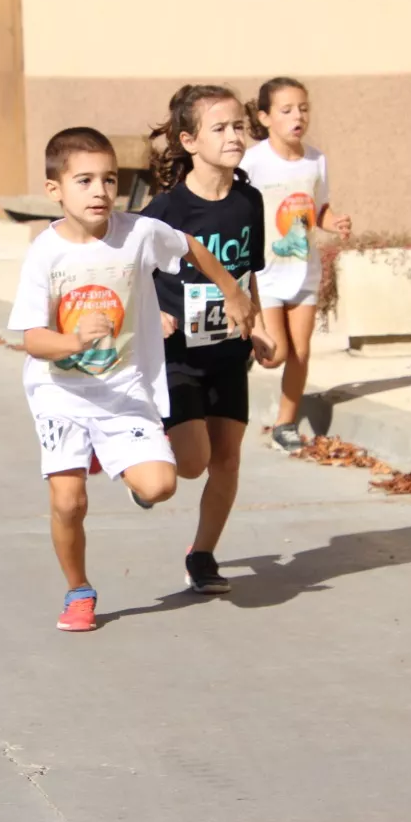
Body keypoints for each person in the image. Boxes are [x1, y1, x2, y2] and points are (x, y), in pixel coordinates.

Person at [8, 126, 256, 632]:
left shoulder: (138, 232)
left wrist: (232, 290)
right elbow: (32, 339)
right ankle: (79, 590)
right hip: (61, 391)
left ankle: (114, 453)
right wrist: (75, 341)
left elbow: (188, 246)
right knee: (68, 500)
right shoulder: (45, 252)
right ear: (55, 190)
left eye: (109, 179)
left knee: (161, 484)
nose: (100, 191)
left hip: (124, 389)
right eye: (84, 180)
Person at [139, 85, 276, 595]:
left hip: (228, 352)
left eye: (238, 126)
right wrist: (154, 315)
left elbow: (247, 275)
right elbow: (131, 276)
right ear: (189, 141)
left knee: (228, 459)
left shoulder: (249, 201)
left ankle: (202, 555)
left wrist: (258, 327)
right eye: (219, 128)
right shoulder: (166, 210)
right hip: (177, 354)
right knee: (193, 463)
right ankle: (147, 473)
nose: (234, 136)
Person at [242, 77, 352, 452]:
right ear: (265, 117)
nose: (297, 117)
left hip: (303, 269)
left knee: (301, 352)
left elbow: (317, 208)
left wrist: (332, 222)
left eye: (303, 108)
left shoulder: (316, 159)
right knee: (276, 355)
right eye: (286, 110)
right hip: (264, 274)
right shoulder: (253, 162)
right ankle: (245, 347)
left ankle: (284, 425)